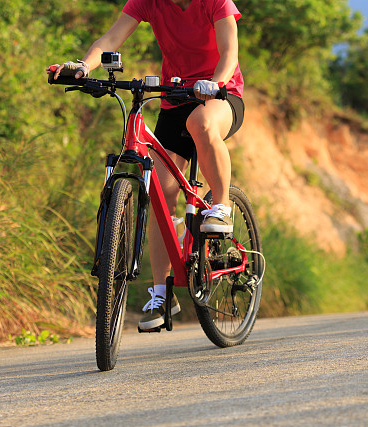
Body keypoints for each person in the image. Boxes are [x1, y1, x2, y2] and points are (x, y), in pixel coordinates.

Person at [47, 0, 245, 330]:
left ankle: (221, 205)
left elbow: (229, 52)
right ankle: (162, 292)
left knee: (203, 124)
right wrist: (83, 65)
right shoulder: (148, 2)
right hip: (174, 97)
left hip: (220, 94)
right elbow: (110, 39)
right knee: (160, 193)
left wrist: (216, 82)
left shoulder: (216, 1)